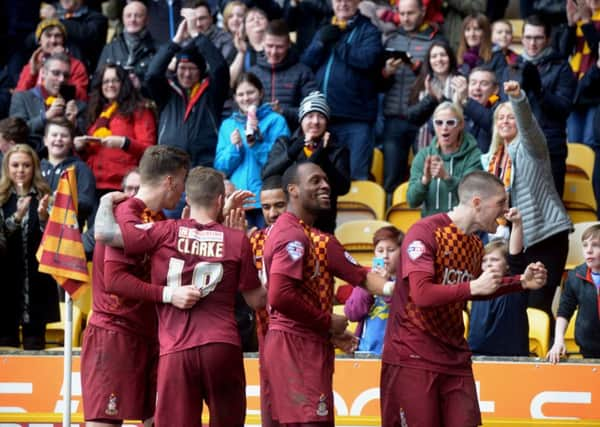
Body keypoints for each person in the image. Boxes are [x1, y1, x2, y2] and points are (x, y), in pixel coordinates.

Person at [98, 166, 266, 427]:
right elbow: (257, 301)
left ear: (187, 198)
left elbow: (107, 234)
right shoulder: (237, 240)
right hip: (222, 346)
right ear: (220, 200)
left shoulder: (164, 231)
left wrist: (105, 202)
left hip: (176, 350)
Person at [380, 170, 548, 426]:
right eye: (501, 203)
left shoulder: (474, 245)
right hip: (413, 356)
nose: (505, 210)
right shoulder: (425, 232)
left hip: (454, 357)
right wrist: (472, 288)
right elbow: (422, 294)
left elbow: (475, 288)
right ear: (477, 203)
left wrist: (521, 282)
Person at [262, 161, 394, 425]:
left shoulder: (315, 239)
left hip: (300, 344)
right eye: (315, 180)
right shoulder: (292, 236)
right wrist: (327, 322)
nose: (325, 185)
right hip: (294, 348)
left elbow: (362, 276)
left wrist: (396, 289)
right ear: (293, 190)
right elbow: (280, 296)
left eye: (326, 180)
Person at [81, 145, 192, 427]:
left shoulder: (160, 220)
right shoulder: (124, 213)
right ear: (170, 180)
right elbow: (116, 280)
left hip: (150, 336)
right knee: (106, 422)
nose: (183, 190)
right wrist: (168, 295)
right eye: (183, 180)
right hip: (115, 334)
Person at [482, 80, 572, 327]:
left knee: (537, 306)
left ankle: (550, 354)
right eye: (500, 118)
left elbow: (529, 128)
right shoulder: (490, 160)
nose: (505, 121)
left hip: (546, 236)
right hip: (514, 240)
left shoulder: (534, 147)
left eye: (510, 117)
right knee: (518, 306)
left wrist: (518, 99)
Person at [301, 0, 383, 180]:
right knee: (322, 176)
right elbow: (306, 64)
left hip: (357, 119)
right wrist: (319, 43)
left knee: (357, 177)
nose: (343, 4)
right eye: (338, 0)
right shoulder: (324, 28)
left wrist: (339, 44)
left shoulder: (369, 31)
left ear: (357, 3)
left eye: (348, 0)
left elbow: (368, 60)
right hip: (325, 119)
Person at [499, 14, 576, 197]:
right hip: (517, 148)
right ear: (522, 38)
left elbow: (564, 109)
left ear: (548, 39)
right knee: (516, 211)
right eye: (528, 37)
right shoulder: (511, 68)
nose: (532, 43)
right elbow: (503, 109)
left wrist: (540, 90)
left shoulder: (561, 67)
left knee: (553, 212)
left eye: (538, 38)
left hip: (550, 149)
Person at [144, 18, 229, 168]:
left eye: (192, 68)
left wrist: (197, 36)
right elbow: (152, 74)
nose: (187, 74)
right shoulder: (167, 92)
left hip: (204, 166)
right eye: (182, 68)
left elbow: (220, 68)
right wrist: (175, 42)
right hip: (169, 165)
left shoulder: (212, 92)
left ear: (201, 71)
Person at [262, 91, 351, 233]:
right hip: (287, 224)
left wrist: (322, 152)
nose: (315, 121)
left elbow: (343, 187)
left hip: (322, 225)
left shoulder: (337, 150)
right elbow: (267, 174)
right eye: (310, 116)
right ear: (301, 120)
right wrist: (295, 149)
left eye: (321, 116)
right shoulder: (285, 144)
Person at [380, 0, 443, 192]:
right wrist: (386, 73)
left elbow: (440, 79)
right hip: (393, 118)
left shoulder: (436, 40)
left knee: (426, 177)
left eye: (411, 13)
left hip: (423, 119)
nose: (405, 19)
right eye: (402, 13)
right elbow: (377, 85)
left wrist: (418, 69)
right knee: (391, 178)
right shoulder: (391, 40)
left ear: (423, 10)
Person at [0, 144, 58, 349]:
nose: (20, 170)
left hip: (38, 281)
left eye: (26, 165)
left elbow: (55, 239)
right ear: (7, 168)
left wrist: (43, 218)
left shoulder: (46, 197)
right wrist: (16, 217)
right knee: (6, 344)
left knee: (35, 344)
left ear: (34, 168)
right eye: (15, 165)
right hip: (6, 283)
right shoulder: (1, 199)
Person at [214, 72, 290, 229]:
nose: (246, 98)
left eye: (250, 92)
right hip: (238, 200)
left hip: (268, 200)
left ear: (261, 93)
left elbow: (281, 160)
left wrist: (256, 144)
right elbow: (221, 167)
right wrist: (234, 148)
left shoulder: (276, 121)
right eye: (240, 94)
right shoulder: (228, 125)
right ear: (234, 98)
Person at [74, 64, 156, 199]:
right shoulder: (98, 111)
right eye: (105, 81)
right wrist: (81, 147)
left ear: (124, 83)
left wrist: (124, 143)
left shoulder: (139, 110)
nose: (110, 85)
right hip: (94, 185)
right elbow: (91, 153)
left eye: (115, 80)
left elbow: (149, 150)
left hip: (123, 187)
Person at [468, 208, 530, 357]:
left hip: (511, 357)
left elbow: (515, 255)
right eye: (485, 261)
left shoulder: (516, 284)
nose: (488, 264)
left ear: (507, 265)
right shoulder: (475, 284)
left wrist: (517, 224)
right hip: (477, 354)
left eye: (495, 260)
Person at [407, 101, 482, 217]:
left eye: (451, 122)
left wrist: (447, 177)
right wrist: (425, 180)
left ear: (461, 125)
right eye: (439, 123)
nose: (444, 127)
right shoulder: (423, 155)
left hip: (461, 226)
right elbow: (412, 201)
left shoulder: (473, 156)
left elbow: (471, 196)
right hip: (430, 227)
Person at [10, 52, 84, 157]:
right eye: (56, 73)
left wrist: (73, 125)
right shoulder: (22, 98)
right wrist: (45, 117)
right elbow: (15, 133)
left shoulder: (76, 106)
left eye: (66, 75)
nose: (61, 79)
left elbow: (83, 146)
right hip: (29, 162)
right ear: (43, 73)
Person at [40, 118, 96, 256]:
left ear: (71, 142)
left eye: (64, 136)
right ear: (45, 140)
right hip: (36, 236)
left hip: (68, 239)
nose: (58, 139)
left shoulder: (81, 168)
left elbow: (88, 203)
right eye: (54, 135)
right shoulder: (35, 167)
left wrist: (63, 198)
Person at [344, 225, 403, 356]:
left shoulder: (406, 281)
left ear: (402, 252)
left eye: (391, 250)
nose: (385, 256)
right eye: (380, 251)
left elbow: (405, 314)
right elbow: (352, 314)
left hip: (396, 354)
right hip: (366, 352)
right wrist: (370, 286)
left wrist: (385, 287)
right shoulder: (366, 279)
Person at [249, 19, 317, 129]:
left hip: (292, 137)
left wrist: (283, 111)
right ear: (262, 44)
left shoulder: (303, 72)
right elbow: (239, 110)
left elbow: (313, 111)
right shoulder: (252, 73)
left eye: (279, 47)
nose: (274, 52)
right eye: (269, 46)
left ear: (289, 45)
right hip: (258, 138)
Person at [547, 224, 600, 363]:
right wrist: (558, 341)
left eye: (595, 245)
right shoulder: (575, 276)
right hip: (589, 349)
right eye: (585, 245)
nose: (588, 250)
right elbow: (564, 310)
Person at [15, 19, 89, 101]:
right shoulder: (31, 66)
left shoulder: (76, 65)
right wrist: (32, 74)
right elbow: (18, 99)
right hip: (34, 112)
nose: (53, 40)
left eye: (57, 36)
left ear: (63, 40)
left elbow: (82, 97)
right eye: (48, 36)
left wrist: (61, 69)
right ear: (39, 41)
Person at [406, 40, 460, 151]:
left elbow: (460, 116)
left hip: (455, 144)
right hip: (424, 144)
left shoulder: (460, 81)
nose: (438, 59)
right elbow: (412, 116)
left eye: (443, 55)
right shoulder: (421, 82)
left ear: (450, 58)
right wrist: (431, 98)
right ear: (429, 61)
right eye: (434, 56)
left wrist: (440, 98)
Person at [96, 1, 158, 86]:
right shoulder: (110, 48)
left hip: (145, 98)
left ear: (147, 20)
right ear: (123, 19)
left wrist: (141, 85)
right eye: (128, 16)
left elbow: (163, 88)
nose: (133, 19)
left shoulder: (157, 49)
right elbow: (96, 82)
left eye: (138, 16)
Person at [39, 0, 108, 73]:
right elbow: (30, 40)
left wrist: (57, 20)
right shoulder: (51, 12)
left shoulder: (97, 18)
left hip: (80, 73)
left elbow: (87, 34)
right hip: (46, 71)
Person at [452, 66, 501, 153]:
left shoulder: (501, 107)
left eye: (484, 84)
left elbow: (490, 121)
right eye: (473, 83)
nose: (477, 88)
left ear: (495, 89)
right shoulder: (461, 106)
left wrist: (466, 101)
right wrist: (456, 105)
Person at [229, 7, 268, 87]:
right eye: (251, 20)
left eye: (261, 18)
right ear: (244, 29)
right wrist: (241, 53)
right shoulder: (237, 49)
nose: (256, 21)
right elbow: (231, 82)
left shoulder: (276, 46)